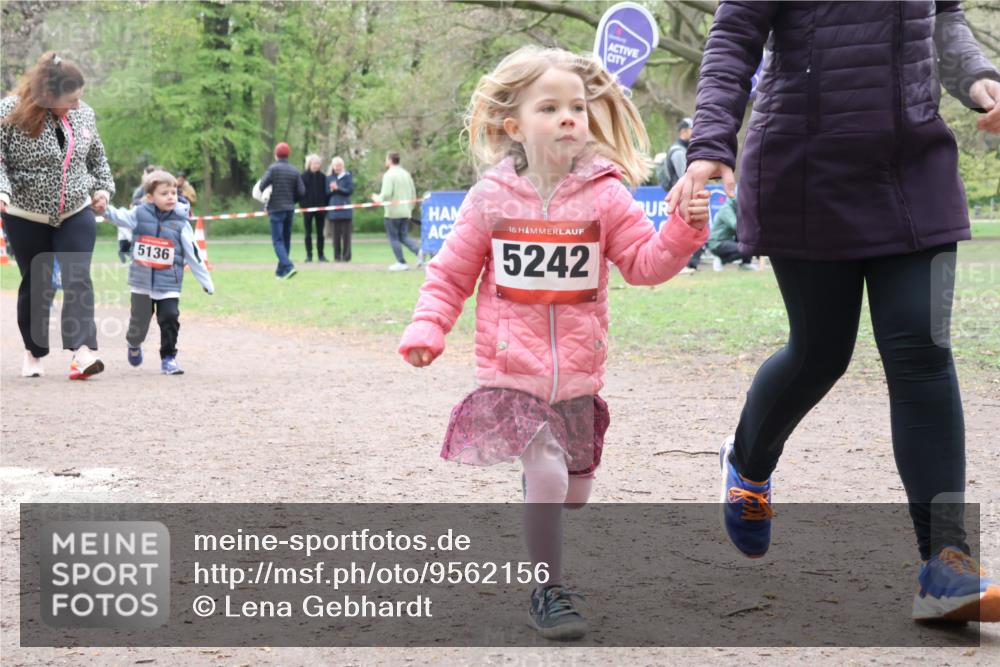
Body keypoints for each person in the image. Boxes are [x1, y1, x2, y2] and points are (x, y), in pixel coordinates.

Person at [667, 0, 1000, 623]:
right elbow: (734, 36)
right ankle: (747, 463)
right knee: (822, 351)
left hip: (914, 168)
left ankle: (944, 565)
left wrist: (979, 77)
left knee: (923, 354)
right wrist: (712, 143)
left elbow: (946, 16)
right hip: (805, 171)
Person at [398, 46, 710, 640]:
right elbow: (450, 275)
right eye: (550, 107)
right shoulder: (490, 198)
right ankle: (548, 590)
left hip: (577, 377)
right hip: (512, 372)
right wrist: (427, 328)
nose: (569, 117)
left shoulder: (605, 196)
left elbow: (645, 265)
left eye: (577, 107)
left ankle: (547, 505)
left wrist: (684, 229)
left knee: (574, 493)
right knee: (544, 471)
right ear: (514, 126)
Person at [0, 51, 115, 380]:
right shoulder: (9, 113)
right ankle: (34, 351)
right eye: (71, 99)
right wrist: (2, 190)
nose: (77, 105)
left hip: (76, 208)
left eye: (80, 98)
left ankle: (81, 353)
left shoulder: (84, 115)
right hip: (24, 212)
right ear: (47, 95)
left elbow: (97, 159)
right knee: (37, 283)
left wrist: (102, 190)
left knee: (77, 277)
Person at [103, 170, 214, 375]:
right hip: (141, 282)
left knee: (170, 317)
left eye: (173, 192)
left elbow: (194, 253)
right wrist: (104, 210)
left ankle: (169, 358)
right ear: (150, 197)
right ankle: (134, 343)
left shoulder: (181, 221)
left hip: (169, 282)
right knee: (140, 322)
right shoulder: (139, 214)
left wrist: (206, 281)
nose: (171, 197)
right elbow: (120, 217)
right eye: (164, 193)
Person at [258, 141, 304, 279]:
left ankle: (289, 266)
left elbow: (261, 186)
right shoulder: (294, 170)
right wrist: (292, 200)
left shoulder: (273, 169)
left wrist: (268, 195)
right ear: (288, 155)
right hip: (290, 208)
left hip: (276, 209)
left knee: (278, 241)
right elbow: (301, 191)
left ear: (276, 155)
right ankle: (281, 271)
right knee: (286, 240)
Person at [371, 151, 419, 271]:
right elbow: (413, 192)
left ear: (390, 160)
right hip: (406, 211)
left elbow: (386, 193)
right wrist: (411, 207)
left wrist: (377, 198)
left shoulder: (389, 175)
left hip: (393, 213)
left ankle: (401, 262)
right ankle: (420, 252)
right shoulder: (406, 174)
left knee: (394, 238)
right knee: (403, 236)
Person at [707, 194, 757, 271]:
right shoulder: (726, 209)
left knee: (748, 241)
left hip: (728, 241)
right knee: (747, 247)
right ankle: (721, 260)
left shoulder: (737, 208)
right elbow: (736, 225)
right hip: (717, 243)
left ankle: (746, 263)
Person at [325, 156, 354, 262]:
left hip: (346, 210)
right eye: (336, 165)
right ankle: (337, 257)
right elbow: (327, 193)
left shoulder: (348, 176)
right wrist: (332, 190)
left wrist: (338, 188)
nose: (337, 167)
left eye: (339, 165)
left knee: (346, 236)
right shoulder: (329, 178)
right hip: (334, 211)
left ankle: (346, 257)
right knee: (335, 237)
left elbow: (349, 190)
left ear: (343, 166)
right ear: (332, 166)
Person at [301, 154, 328, 262]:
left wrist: (324, 206)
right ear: (309, 164)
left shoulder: (323, 177)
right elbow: (300, 193)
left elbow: (326, 193)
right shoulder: (303, 177)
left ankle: (321, 255)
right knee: (308, 233)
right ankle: (309, 255)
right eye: (314, 163)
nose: (317, 165)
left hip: (320, 209)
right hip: (307, 209)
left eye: (318, 163)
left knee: (320, 233)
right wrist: (304, 206)